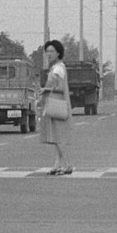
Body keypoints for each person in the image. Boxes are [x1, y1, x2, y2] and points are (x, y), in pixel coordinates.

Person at [39, 39, 72, 175]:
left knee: (58, 138)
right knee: (55, 137)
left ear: (58, 53)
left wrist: (45, 89)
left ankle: (68, 164)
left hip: (57, 104)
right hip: (54, 104)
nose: (49, 54)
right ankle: (57, 165)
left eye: (52, 51)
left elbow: (59, 87)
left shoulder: (58, 68)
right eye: (47, 51)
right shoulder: (55, 67)